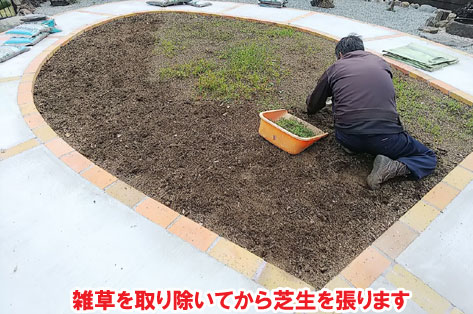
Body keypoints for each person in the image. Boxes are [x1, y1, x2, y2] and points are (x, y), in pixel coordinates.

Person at [306, 34, 437, 189]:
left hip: (347, 136)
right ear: (362, 49)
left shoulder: (335, 68)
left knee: (350, 135)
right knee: (428, 157)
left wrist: (313, 104)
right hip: (387, 140)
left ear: (340, 55)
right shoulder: (381, 63)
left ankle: (353, 147)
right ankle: (391, 168)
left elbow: (313, 105)